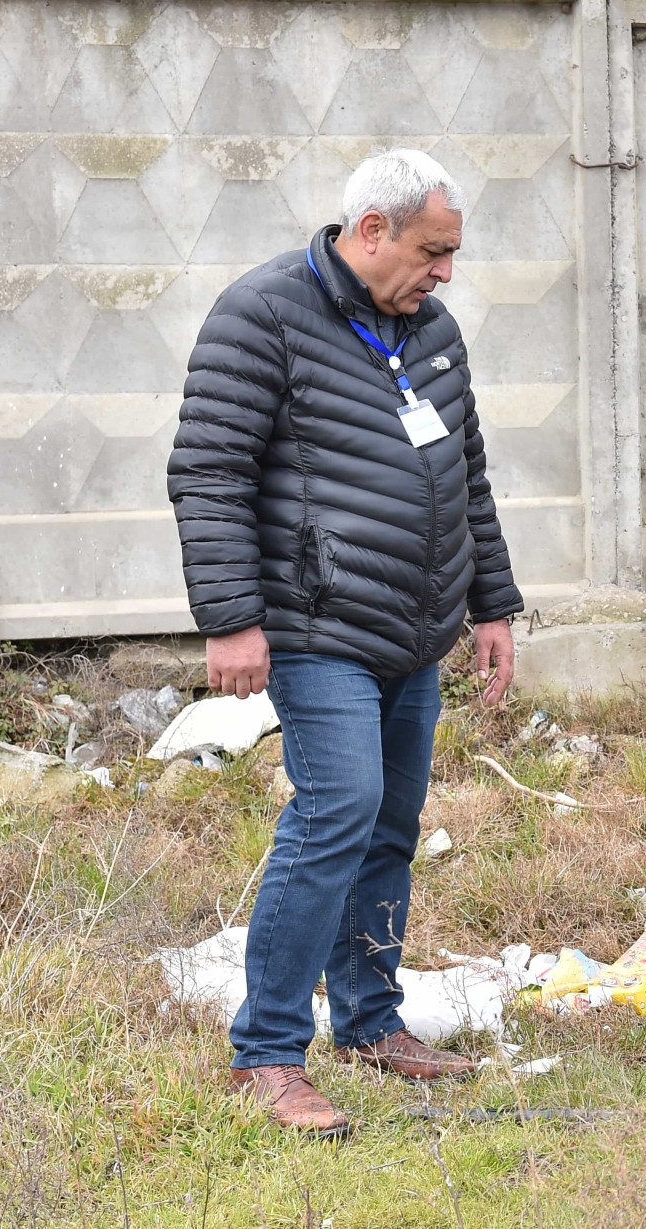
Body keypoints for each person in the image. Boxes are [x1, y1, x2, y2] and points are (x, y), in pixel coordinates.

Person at [167, 149, 522, 1136]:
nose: (445, 272)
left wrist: (490, 603)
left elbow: (468, 473)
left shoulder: (433, 328)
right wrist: (232, 617)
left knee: (391, 820)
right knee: (341, 807)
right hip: (316, 623)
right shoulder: (263, 315)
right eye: (432, 250)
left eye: (451, 254)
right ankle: (268, 1051)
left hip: (415, 626)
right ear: (372, 231)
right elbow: (207, 471)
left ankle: (370, 1020)